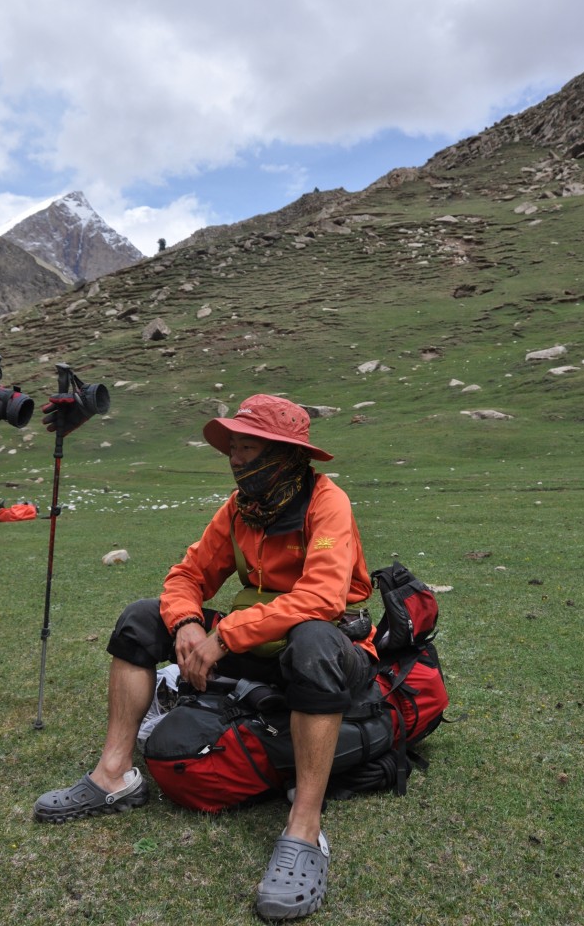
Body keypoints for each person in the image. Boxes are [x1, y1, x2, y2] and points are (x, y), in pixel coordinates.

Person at [34, 394, 378, 921]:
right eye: (232, 447)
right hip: (252, 645)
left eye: (248, 447)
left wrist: (224, 638)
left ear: (285, 455)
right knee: (140, 618)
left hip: (328, 646)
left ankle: (305, 828)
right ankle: (114, 776)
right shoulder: (239, 508)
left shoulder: (327, 502)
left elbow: (322, 598)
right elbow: (187, 576)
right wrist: (188, 624)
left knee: (310, 641)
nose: (235, 458)